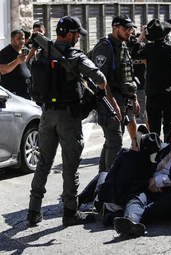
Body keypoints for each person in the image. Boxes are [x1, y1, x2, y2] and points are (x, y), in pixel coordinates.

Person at [27, 16, 108, 226]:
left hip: (46, 114)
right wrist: (96, 95)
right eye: (77, 35)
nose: (78, 39)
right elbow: (101, 79)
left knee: (43, 163)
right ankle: (70, 212)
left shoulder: (45, 51)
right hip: (68, 117)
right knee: (70, 165)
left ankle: (33, 211)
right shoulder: (75, 56)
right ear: (70, 34)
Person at [113, 120, 171, 237]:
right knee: (136, 198)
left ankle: (135, 219)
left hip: (168, 191)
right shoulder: (161, 149)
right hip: (148, 186)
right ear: (170, 138)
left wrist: (157, 181)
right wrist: (151, 181)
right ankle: (131, 220)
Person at [91, 14, 140, 173]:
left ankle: (102, 180)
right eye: (125, 29)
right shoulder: (105, 47)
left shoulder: (122, 46)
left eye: (130, 29)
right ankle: (111, 186)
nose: (129, 32)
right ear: (114, 28)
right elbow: (100, 80)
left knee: (110, 143)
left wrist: (133, 98)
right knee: (116, 144)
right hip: (108, 103)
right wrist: (112, 105)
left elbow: (127, 75)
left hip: (121, 101)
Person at [131, 19, 171, 137]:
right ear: (165, 35)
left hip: (153, 94)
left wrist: (141, 37)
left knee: (154, 130)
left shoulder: (149, 49)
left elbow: (133, 55)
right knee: (169, 129)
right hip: (169, 93)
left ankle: (156, 154)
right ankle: (170, 153)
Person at [0, 29, 31, 99]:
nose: (21, 41)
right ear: (12, 40)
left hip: (26, 93)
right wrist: (16, 61)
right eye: (18, 39)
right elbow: (3, 70)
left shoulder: (24, 51)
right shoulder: (5, 52)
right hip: (13, 95)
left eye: (23, 39)